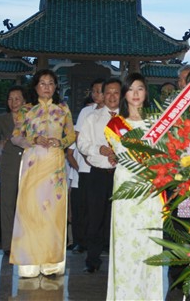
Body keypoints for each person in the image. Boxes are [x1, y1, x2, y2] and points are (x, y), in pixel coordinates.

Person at [9, 69, 76, 278]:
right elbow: (15, 137)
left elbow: (72, 135)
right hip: (33, 163)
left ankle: (51, 263)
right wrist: (33, 139)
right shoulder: (26, 110)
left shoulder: (63, 109)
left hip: (55, 165)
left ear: (56, 87)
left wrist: (61, 142)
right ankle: (28, 263)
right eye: (42, 83)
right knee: (30, 210)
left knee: (52, 212)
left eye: (51, 83)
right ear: (36, 86)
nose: (47, 87)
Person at [107, 73, 165, 300]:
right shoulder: (114, 125)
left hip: (151, 188)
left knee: (149, 241)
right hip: (126, 185)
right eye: (130, 89)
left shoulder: (158, 123)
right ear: (125, 94)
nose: (135, 93)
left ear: (146, 92)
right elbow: (121, 154)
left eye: (140, 88)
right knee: (126, 241)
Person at [77, 78, 122, 273]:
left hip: (121, 175)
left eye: (116, 92)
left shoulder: (128, 119)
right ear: (103, 95)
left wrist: (121, 155)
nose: (112, 96)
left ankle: (117, 261)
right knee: (95, 217)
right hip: (98, 175)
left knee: (117, 219)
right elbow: (82, 144)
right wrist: (99, 149)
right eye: (108, 92)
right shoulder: (92, 118)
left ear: (122, 95)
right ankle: (92, 260)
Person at [67, 78, 106, 255]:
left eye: (101, 91)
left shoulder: (115, 112)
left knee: (98, 208)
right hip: (85, 166)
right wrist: (85, 156)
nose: (97, 94)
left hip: (104, 166)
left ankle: (99, 243)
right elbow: (78, 137)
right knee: (82, 207)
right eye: (94, 91)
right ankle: (80, 242)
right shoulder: (86, 111)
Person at [0, 85, 27, 255]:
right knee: (7, 206)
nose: (13, 102)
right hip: (9, 166)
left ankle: (26, 243)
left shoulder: (32, 117)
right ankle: (8, 246)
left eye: (17, 99)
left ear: (24, 101)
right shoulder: (2, 119)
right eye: (10, 99)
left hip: (29, 165)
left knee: (27, 205)